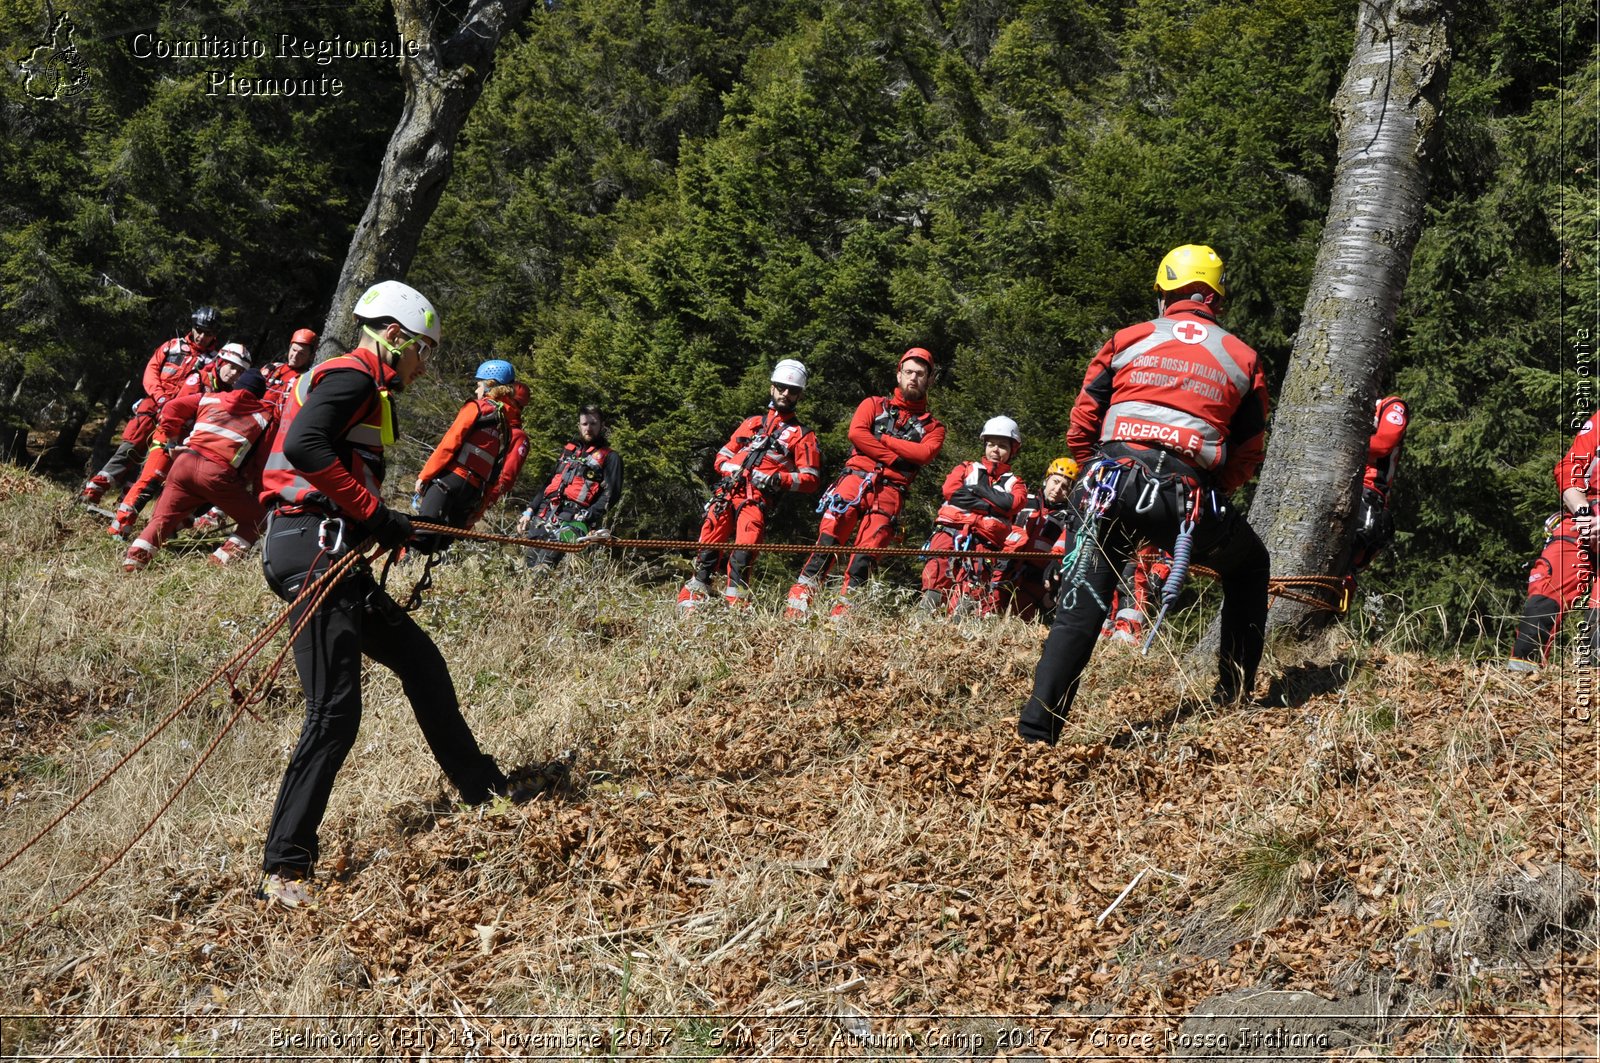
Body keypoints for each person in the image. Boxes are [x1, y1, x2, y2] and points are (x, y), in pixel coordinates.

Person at [255, 279, 509, 908]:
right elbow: (303, 447)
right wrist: (374, 514)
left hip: (328, 547)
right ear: (393, 336)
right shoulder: (354, 378)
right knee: (334, 712)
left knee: (420, 662)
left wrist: (394, 525)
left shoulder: (359, 384)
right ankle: (284, 868)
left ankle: (485, 793)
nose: (425, 365)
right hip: (313, 549)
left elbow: (333, 464)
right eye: (423, 350)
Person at [1017, 244, 1272, 745]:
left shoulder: (1128, 339)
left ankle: (1037, 730)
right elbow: (1249, 450)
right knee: (1250, 566)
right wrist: (1214, 487)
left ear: (1164, 294)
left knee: (1081, 607)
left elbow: (1083, 421)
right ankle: (1233, 696)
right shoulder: (1243, 358)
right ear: (1215, 301)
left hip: (1111, 484)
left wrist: (1095, 469)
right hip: (1186, 500)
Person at [785, 348, 946, 618]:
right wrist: (898, 458)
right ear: (898, 375)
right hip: (854, 480)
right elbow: (856, 434)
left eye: (920, 374)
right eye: (909, 372)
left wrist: (882, 440)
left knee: (867, 554)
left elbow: (925, 454)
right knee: (828, 540)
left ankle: (844, 614)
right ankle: (798, 606)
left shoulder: (934, 427)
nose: (914, 378)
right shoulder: (873, 404)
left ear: (929, 380)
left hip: (891, 492)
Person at [679, 360, 821, 608]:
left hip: (756, 498)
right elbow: (721, 456)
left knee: (746, 549)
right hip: (726, 493)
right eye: (781, 387)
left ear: (800, 394)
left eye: (792, 390)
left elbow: (810, 480)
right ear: (772, 388)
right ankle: (693, 598)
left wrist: (777, 479)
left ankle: (737, 606)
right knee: (708, 544)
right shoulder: (752, 423)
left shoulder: (803, 435)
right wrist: (728, 466)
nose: (786, 393)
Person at [121, 369, 276, 571]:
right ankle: (219, 563)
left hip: (183, 465)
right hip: (217, 475)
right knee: (259, 519)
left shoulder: (209, 398)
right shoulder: (266, 418)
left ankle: (133, 563)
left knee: (161, 520)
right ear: (260, 394)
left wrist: (171, 440)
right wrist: (257, 494)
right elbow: (261, 462)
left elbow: (170, 408)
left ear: (237, 385)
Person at [82, 305, 223, 504]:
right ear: (192, 326)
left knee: (152, 463)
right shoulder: (172, 346)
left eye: (207, 333)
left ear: (214, 334)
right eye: (198, 330)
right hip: (152, 408)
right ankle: (92, 493)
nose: (201, 336)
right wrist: (161, 397)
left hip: (178, 421)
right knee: (128, 449)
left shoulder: (215, 362)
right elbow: (151, 372)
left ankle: (124, 505)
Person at [107, 343, 251, 538]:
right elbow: (172, 411)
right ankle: (119, 529)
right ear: (220, 362)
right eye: (232, 367)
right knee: (150, 481)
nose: (234, 373)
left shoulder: (228, 394)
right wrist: (172, 442)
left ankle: (160, 534)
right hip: (170, 437)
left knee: (182, 494)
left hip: (191, 447)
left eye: (240, 371)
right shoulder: (198, 379)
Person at [1507, 412, 1600, 671]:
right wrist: (1582, 513)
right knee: (1547, 581)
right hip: (1586, 516)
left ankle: (1592, 688)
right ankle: (1522, 683)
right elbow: (1569, 468)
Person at [918, 417, 1028, 616]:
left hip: (984, 543)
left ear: (1013, 450)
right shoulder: (966, 468)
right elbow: (951, 491)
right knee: (935, 579)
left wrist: (978, 491)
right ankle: (921, 628)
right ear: (984, 445)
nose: (995, 450)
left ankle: (956, 637)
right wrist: (993, 507)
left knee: (969, 594)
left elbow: (1012, 504)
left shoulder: (1015, 482)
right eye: (991, 444)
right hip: (950, 531)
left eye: (1002, 446)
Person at [411, 359, 525, 543]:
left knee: (420, 536)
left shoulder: (476, 407)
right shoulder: (505, 427)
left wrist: (424, 475)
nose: (476, 390)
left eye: (478, 385)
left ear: (489, 385)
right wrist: (481, 506)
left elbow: (449, 444)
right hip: (472, 492)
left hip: (449, 481)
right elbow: (495, 472)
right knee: (442, 543)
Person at [519, 404, 622, 569]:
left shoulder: (610, 457)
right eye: (585, 424)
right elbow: (549, 482)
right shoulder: (569, 451)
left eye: (593, 424)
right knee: (528, 565)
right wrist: (530, 510)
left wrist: (588, 515)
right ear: (579, 426)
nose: (589, 428)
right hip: (544, 513)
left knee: (543, 567)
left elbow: (612, 493)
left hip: (572, 517)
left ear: (602, 425)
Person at [993, 455, 1080, 621]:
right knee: (990, 611)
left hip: (1036, 579)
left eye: (1065, 487)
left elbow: (1065, 546)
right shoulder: (1024, 502)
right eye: (1055, 482)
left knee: (1021, 619)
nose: (1058, 489)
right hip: (1004, 568)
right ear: (1046, 480)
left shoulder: (1068, 518)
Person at [1348, 394, 1409, 575]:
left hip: (1369, 489)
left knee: (1350, 562)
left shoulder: (1392, 405)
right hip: (1337, 481)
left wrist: (1341, 444)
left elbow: (1383, 444)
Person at [262, 328, 319, 413]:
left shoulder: (308, 381)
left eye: (301, 353)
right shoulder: (273, 367)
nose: (295, 356)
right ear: (289, 348)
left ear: (311, 356)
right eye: (294, 350)